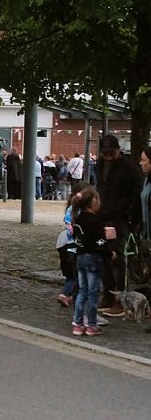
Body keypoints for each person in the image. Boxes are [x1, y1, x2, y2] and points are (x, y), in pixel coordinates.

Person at [95, 134, 143, 317]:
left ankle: (119, 298)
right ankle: (107, 293)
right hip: (103, 214)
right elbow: (101, 186)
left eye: (110, 153)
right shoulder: (100, 165)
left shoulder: (129, 168)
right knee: (104, 254)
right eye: (105, 153)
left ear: (117, 151)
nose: (107, 156)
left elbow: (136, 193)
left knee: (118, 258)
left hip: (119, 218)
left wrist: (132, 218)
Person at [70, 185, 113, 336]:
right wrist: (110, 253)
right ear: (94, 201)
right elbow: (99, 243)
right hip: (93, 259)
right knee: (93, 293)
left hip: (80, 257)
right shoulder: (95, 221)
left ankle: (78, 323)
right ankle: (92, 325)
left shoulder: (78, 219)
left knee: (82, 291)